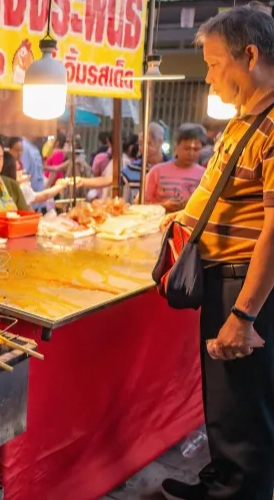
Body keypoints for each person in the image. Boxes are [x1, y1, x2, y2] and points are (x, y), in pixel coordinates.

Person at [157, 5, 274, 499]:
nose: (207, 75)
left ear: (249, 55)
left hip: (245, 285)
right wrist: (184, 218)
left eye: (212, 62)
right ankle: (224, 478)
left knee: (245, 406)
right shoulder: (246, 119)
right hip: (224, 275)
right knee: (229, 405)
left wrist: (244, 314)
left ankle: (239, 490)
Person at [143, 124, 207, 212]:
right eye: (187, 148)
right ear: (176, 146)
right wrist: (164, 206)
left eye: (196, 149)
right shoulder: (157, 171)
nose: (191, 153)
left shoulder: (205, 175)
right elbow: (142, 204)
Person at [120, 121, 170, 202]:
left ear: (160, 141)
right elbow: (111, 180)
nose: (143, 147)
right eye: (140, 143)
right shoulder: (131, 168)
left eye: (148, 143)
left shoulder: (173, 167)